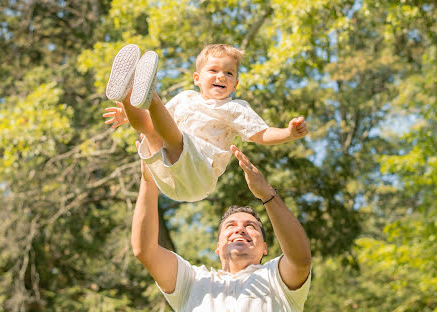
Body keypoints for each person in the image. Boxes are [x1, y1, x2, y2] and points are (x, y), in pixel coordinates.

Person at [103, 43, 309, 202]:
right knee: (150, 132)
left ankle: (151, 94)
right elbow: (156, 122)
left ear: (235, 84)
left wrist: (288, 133)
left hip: (198, 176)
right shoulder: (185, 98)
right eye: (213, 70)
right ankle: (126, 93)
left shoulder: (234, 108)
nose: (221, 76)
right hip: (165, 175)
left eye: (229, 73)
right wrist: (128, 114)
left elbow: (261, 134)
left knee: (177, 140)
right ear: (197, 78)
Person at [131, 144, 312, 311]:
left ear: (264, 247)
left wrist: (267, 194)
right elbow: (145, 250)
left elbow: (300, 259)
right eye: (230, 225)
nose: (240, 229)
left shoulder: (275, 278)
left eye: (250, 226)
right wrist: (149, 180)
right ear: (218, 247)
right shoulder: (192, 281)